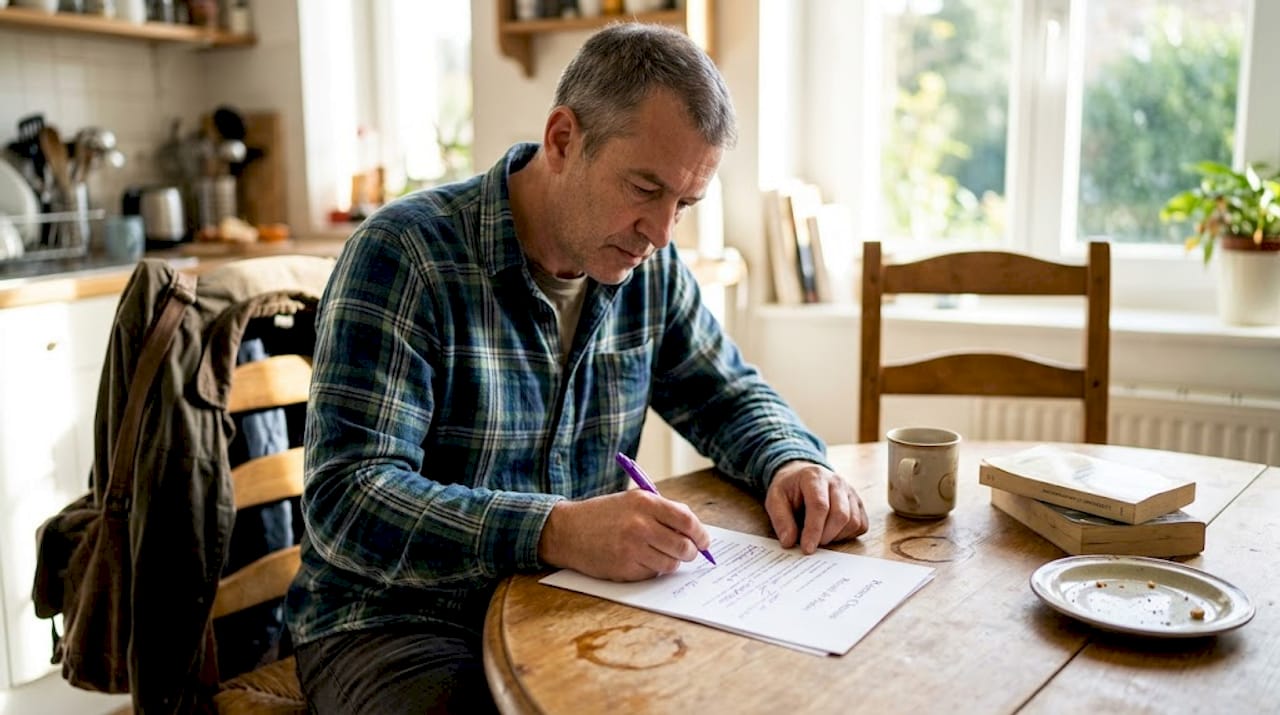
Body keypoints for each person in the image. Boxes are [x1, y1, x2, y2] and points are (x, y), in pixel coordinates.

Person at [286, 23, 869, 713]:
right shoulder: (404, 255)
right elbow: (348, 500)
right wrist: (555, 529)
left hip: (564, 599)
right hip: (399, 621)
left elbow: (727, 393)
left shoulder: (647, 268)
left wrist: (790, 461)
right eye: (645, 187)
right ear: (562, 138)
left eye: (683, 204)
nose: (660, 233)